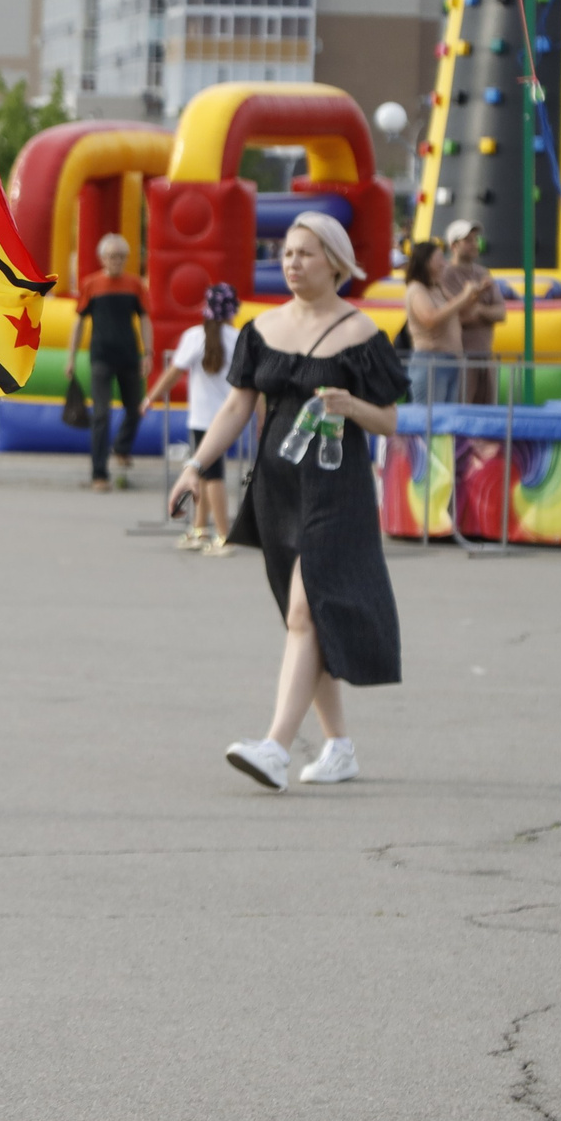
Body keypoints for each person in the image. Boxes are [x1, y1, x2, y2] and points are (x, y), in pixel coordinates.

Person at [168, 214, 406, 789]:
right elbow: (235, 409)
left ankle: (274, 748)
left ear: (335, 263)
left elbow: (390, 422)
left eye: (305, 253)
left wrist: (351, 407)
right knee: (305, 620)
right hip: (277, 492)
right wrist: (196, 467)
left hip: (336, 491)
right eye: (287, 253)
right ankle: (340, 747)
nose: (292, 263)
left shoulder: (362, 335)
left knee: (305, 612)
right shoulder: (262, 329)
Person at [142, 281, 241, 554]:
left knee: (210, 476)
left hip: (201, 416)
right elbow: (251, 384)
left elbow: (174, 372)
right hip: (228, 417)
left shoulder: (194, 337)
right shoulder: (238, 338)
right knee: (207, 475)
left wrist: (150, 397)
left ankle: (222, 534)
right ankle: (201, 528)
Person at [67, 232, 151, 491]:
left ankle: (122, 447)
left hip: (128, 356)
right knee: (101, 414)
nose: (116, 261)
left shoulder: (135, 285)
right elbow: (79, 322)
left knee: (135, 408)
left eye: (120, 257)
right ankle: (99, 474)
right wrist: (71, 357)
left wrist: (148, 353)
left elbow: (145, 319)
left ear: (127, 259)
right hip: (101, 356)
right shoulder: (92, 284)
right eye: (111, 256)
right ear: (102, 258)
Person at [400, 238, 479, 407]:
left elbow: (460, 309)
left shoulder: (437, 287)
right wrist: (464, 296)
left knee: (446, 420)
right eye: (440, 259)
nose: (444, 264)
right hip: (431, 361)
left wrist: (474, 294)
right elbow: (430, 318)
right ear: (427, 263)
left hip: (451, 360)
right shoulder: (416, 289)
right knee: (429, 419)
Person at [441, 221, 509, 404]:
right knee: (461, 411)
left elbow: (501, 313)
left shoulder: (482, 273)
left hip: (485, 357)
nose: (474, 244)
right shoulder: (445, 275)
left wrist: (478, 309)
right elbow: (457, 316)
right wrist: (483, 311)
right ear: (454, 246)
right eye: (468, 240)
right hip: (460, 358)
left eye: (475, 239)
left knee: (486, 415)